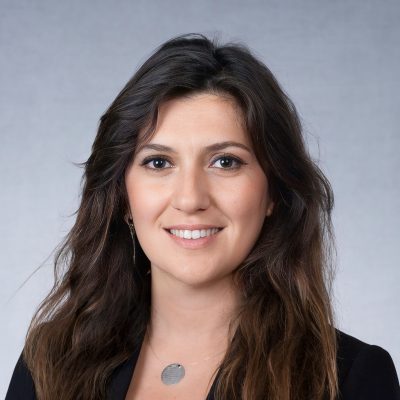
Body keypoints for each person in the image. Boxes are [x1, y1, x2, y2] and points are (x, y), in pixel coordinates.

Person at [5, 33, 400, 400]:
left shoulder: (352, 378)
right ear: (123, 196)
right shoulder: (49, 364)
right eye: (158, 162)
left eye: (225, 162)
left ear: (273, 193)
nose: (191, 198)